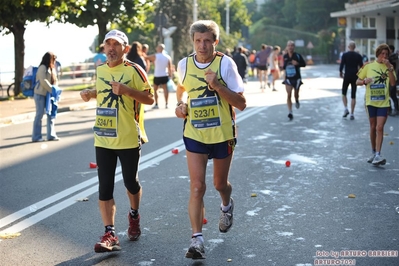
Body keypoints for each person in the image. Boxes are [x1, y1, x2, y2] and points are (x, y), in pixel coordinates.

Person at [175, 20, 246, 260]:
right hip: (195, 133)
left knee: (219, 184)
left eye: (207, 41)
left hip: (222, 133)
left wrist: (216, 85)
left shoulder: (225, 63)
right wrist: (180, 106)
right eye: (198, 41)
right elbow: (183, 91)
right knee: (197, 186)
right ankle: (197, 240)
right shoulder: (184, 64)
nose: (202, 46)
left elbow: (241, 103)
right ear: (192, 41)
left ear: (215, 42)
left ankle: (226, 204)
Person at [79, 29, 154, 253]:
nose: (111, 48)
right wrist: (91, 92)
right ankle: (110, 233)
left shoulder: (135, 70)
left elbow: (150, 98)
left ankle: (134, 214)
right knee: (104, 187)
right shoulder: (100, 69)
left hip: (129, 136)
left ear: (125, 49)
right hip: (103, 136)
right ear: (103, 48)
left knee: (131, 182)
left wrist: (127, 90)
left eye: (116, 44)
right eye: (108, 44)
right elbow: (104, 92)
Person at [356, 43, 397, 166]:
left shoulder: (389, 67)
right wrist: (364, 81)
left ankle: (378, 155)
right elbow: (357, 81)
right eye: (382, 53)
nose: (384, 56)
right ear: (378, 54)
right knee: (373, 127)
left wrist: (389, 67)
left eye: (386, 54)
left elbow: (393, 83)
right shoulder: (368, 66)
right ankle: (373, 152)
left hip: (383, 102)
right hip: (371, 101)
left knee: (380, 128)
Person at [32, 51, 60, 142]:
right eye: (54, 59)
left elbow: (55, 80)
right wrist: (52, 90)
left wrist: (56, 90)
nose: (55, 61)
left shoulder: (52, 68)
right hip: (40, 94)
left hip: (49, 95)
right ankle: (36, 136)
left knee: (51, 115)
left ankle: (51, 135)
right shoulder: (42, 67)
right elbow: (43, 81)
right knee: (39, 115)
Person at [339, 41, 363, 120]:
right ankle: (352, 113)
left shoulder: (345, 55)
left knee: (344, 93)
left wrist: (340, 73)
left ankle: (346, 108)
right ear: (355, 47)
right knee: (353, 95)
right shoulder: (358, 56)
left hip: (347, 76)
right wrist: (361, 76)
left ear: (348, 47)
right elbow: (362, 67)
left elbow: (342, 65)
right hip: (355, 77)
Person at [282, 40, 306, 120]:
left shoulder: (297, 56)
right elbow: (283, 67)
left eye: (292, 45)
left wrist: (297, 64)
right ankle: (290, 112)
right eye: (289, 45)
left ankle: (297, 99)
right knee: (288, 94)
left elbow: (304, 64)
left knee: (296, 94)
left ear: (294, 47)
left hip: (297, 78)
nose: (290, 47)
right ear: (287, 47)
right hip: (288, 79)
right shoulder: (285, 56)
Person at [146, 43, 173, 109]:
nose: (156, 48)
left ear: (159, 48)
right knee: (165, 89)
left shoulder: (155, 56)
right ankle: (166, 104)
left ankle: (156, 104)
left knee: (155, 90)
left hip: (157, 75)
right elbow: (170, 67)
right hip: (164, 75)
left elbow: (146, 57)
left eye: (157, 47)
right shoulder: (167, 57)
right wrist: (170, 75)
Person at [388, 45, 399, 116]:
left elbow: (395, 69)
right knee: (392, 95)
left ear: (391, 50)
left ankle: (392, 109)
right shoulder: (395, 58)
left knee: (389, 94)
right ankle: (394, 109)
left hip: (391, 78)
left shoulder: (392, 58)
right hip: (393, 78)